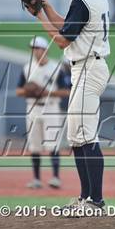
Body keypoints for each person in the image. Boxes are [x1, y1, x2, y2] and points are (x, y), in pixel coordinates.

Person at [24, 0, 110, 214]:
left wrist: (39, 16)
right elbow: (68, 26)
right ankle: (86, 198)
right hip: (85, 68)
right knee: (76, 138)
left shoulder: (83, 1)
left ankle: (95, 200)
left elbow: (62, 40)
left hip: (88, 67)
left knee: (85, 137)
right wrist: (47, 7)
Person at [16, 36, 70, 189]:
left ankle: (55, 177)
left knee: (53, 143)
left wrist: (46, 92)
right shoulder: (27, 67)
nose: (35, 51)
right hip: (32, 107)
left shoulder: (56, 67)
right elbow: (18, 90)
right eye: (33, 48)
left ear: (45, 49)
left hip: (51, 107)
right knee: (34, 145)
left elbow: (66, 91)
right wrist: (31, 91)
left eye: (38, 48)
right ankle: (36, 179)